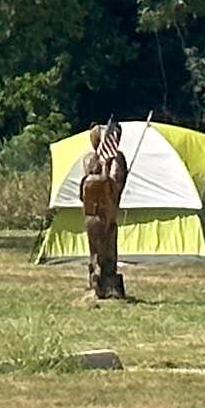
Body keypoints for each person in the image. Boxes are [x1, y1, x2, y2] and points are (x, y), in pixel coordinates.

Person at [77, 119, 133, 303]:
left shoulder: (117, 158)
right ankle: (96, 277)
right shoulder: (89, 158)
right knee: (95, 245)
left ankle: (109, 277)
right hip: (92, 209)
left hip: (108, 207)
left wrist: (108, 172)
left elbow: (116, 181)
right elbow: (86, 182)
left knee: (109, 242)